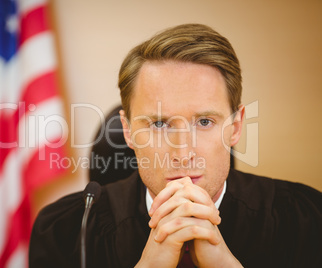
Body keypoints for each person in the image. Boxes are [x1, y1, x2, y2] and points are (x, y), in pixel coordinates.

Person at [29, 24, 322, 267]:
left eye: (204, 122)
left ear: (235, 126)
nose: (183, 154)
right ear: (128, 131)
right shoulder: (65, 231)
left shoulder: (305, 220)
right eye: (158, 124)